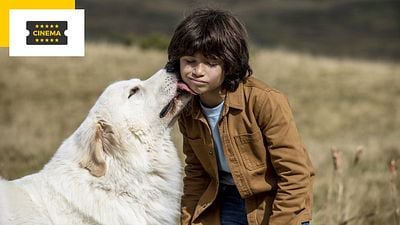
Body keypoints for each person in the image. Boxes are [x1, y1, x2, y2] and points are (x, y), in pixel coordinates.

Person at [165, 8, 314, 225]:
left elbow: (295, 175)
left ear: (230, 64)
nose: (197, 71)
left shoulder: (265, 101)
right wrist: (189, 220)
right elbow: (196, 173)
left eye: (211, 63)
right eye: (190, 61)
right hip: (223, 200)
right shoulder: (188, 108)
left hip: (275, 201)